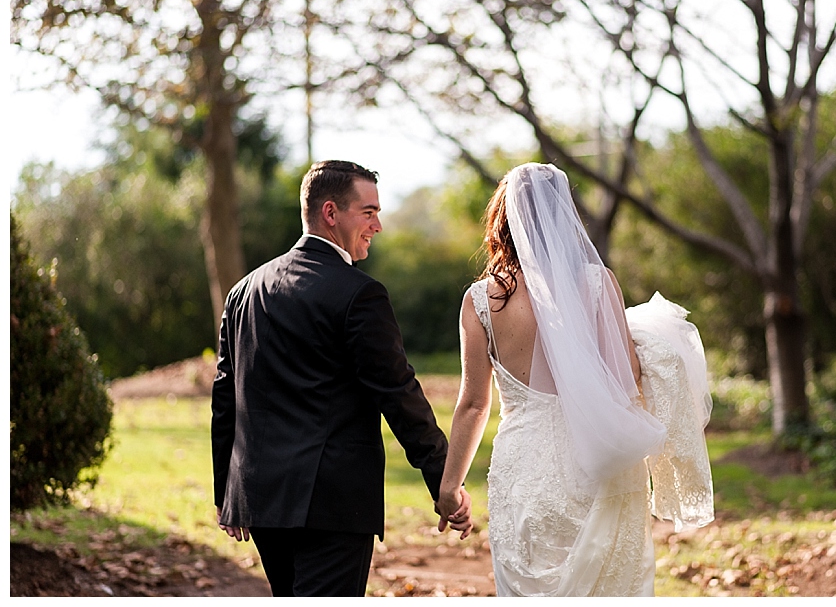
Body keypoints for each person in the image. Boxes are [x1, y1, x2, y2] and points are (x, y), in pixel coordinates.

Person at [435, 163, 715, 596]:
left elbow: (473, 403)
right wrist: (649, 341)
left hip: (525, 472)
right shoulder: (597, 285)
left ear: (502, 219)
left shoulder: (479, 301)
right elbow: (627, 380)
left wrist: (450, 487)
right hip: (599, 468)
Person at [211, 160, 470, 597]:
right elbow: (400, 394)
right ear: (331, 213)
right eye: (368, 212)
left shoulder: (244, 291)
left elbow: (224, 399)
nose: (378, 225)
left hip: (263, 501)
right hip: (332, 505)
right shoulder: (359, 293)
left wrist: (229, 493)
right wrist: (444, 481)